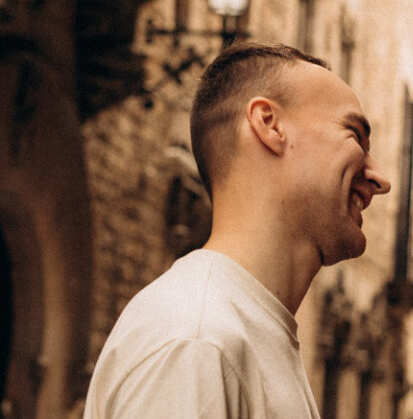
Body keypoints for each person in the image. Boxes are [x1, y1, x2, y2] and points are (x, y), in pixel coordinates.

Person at [84, 41, 392, 418]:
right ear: (268, 124)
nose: (380, 179)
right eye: (355, 136)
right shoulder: (198, 341)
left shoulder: (236, 333)